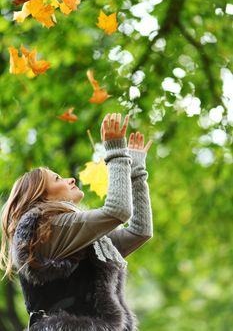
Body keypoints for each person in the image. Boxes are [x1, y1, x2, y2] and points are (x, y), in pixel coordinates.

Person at [0, 112, 153, 331]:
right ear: (42, 197)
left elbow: (140, 231)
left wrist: (136, 172)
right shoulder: (49, 230)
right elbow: (118, 211)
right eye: (57, 179)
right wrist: (116, 151)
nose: (69, 179)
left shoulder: (77, 236)